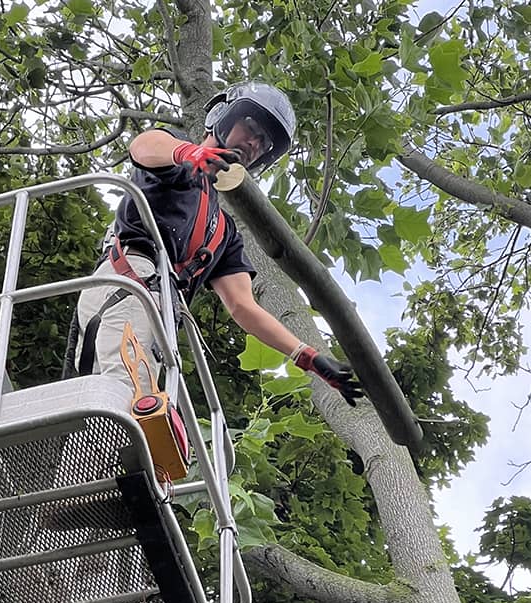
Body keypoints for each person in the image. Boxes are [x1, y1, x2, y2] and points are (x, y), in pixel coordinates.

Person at [71, 81, 362, 405]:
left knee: (133, 403)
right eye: (251, 127)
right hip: (131, 281)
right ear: (223, 116)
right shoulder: (174, 160)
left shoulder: (222, 232)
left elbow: (243, 306)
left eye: (264, 142)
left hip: (161, 309)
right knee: (128, 397)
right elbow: (143, 146)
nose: (254, 143)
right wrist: (189, 154)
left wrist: (308, 357)